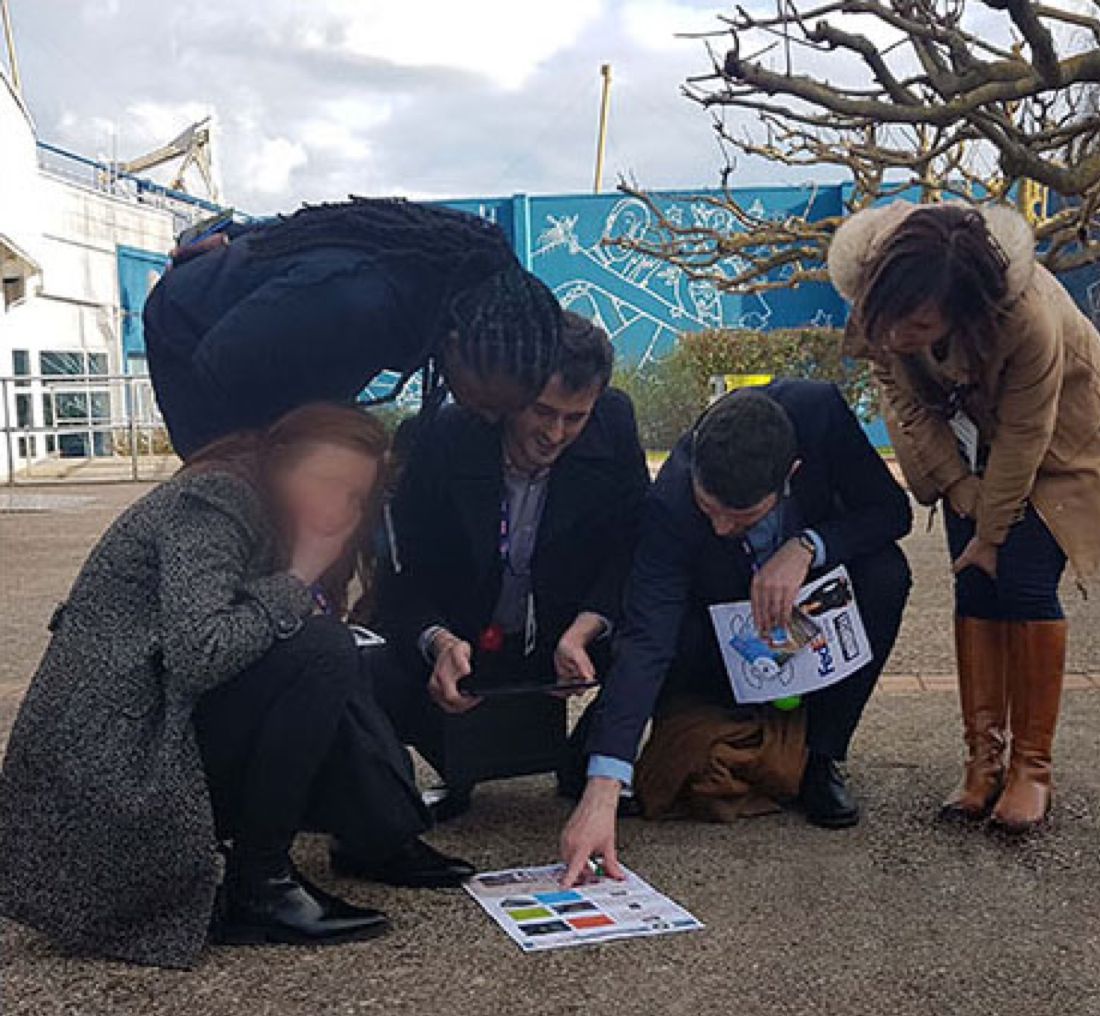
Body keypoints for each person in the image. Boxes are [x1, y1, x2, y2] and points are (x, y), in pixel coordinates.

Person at [0, 404, 472, 968]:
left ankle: (376, 836)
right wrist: (297, 579)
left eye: (353, 495)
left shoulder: (268, 512)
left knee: (327, 651)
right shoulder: (217, 502)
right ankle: (262, 884)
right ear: (279, 463)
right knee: (321, 651)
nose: (336, 505)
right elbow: (200, 654)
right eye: (324, 481)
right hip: (110, 769)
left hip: (147, 729)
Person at [827, 202, 1100, 833]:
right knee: (973, 584)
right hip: (967, 442)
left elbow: (1027, 433)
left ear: (962, 307)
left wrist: (993, 530)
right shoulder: (880, 295)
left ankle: (1031, 769)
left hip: (1065, 444)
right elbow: (907, 410)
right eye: (885, 319)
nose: (893, 337)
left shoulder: (1026, 317)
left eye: (916, 323)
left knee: (1021, 580)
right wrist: (962, 492)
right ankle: (982, 762)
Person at [557, 383, 913, 885]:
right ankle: (606, 741)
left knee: (885, 573)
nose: (721, 528)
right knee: (664, 633)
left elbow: (891, 512)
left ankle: (822, 757)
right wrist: (603, 789)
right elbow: (648, 636)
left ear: (791, 475)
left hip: (808, 602)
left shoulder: (820, 415)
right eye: (709, 509)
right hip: (716, 626)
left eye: (742, 517)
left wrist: (807, 546)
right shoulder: (672, 501)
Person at [374, 310, 648, 816]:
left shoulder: (614, 424)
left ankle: (590, 758)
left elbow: (633, 551)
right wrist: (437, 640)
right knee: (378, 658)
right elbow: (400, 577)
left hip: (565, 628)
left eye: (575, 417)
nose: (557, 434)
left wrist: (588, 626)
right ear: (507, 399)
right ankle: (411, 776)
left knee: (659, 629)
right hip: (464, 632)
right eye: (543, 412)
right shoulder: (443, 436)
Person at [143, 197, 565, 458]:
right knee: (244, 492)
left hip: (270, 324)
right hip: (190, 330)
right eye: (490, 403)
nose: (491, 418)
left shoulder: (471, 286)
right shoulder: (357, 303)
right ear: (457, 346)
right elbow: (220, 363)